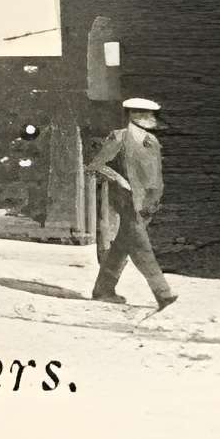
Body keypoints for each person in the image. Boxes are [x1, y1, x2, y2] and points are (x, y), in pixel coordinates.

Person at [88, 96, 178, 309]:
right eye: (146, 114)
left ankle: (103, 289)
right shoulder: (119, 137)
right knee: (141, 246)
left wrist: (156, 199)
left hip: (148, 203)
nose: (151, 119)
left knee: (122, 246)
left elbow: (155, 175)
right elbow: (95, 166)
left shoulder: (152, 141)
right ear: (133, 115)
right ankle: (162, 292)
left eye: (152, 115)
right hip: (128, 200)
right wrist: (119, 179)